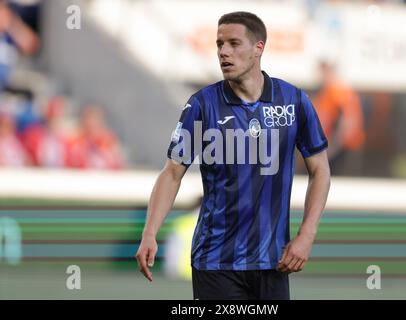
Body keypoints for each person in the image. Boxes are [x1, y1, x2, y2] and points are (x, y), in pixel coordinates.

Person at [136, 11, 330, 300]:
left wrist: (307, 234)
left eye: (234, 43)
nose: (224, 52)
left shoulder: (294, 102)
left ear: (258, 48)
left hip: (273, 261)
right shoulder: (202, 105)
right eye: (219, 44)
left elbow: (320, 171)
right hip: (215, 262)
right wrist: (150, 231)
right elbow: (172, 172)